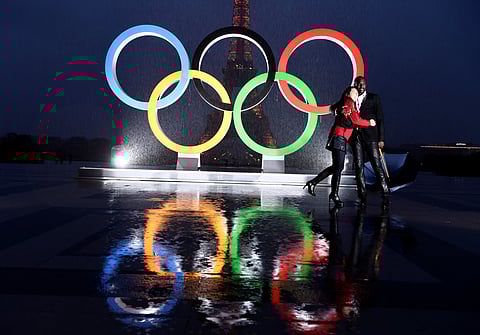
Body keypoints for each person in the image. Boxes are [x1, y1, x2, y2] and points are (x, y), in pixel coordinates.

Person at [303, 87, 376, 207]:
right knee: (338, 167)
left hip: (339, 137)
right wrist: (369, 123)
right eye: (355, 92)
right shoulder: (349, 101)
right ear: (348, 93)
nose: (357, 94)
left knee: (337, 167)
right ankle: (333, 194)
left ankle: (315, 184)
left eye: (358, 93)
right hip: (339, 137)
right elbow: (356, 120)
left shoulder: (346, 102)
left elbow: (339, 111)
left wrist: (339, 111)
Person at [351, 76, 390, 207]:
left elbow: (380, 119)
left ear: (366, 85)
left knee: (376, 164)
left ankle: (385, 193)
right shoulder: (351, 99)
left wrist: (381, 139)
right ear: (354, 85)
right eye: (358, 84)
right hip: (356, 137)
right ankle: (362, 195)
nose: (361, 87)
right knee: (358, 166)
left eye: (363, 84)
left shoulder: (374, 98)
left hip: (371, 137)